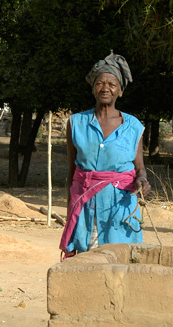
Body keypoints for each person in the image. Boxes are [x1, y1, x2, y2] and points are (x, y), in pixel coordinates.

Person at [59, 52, 151, 259]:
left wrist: (142, 180)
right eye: (100, 83)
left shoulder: (133, 126)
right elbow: (72, 171)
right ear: (93, 88)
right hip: (85, 204)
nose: (106, 88)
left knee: (120, 259)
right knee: (88, 258)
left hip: (121, 206)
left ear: (120, 91)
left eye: (112, 84)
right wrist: (70, 207)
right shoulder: (75, 123)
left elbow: (139, 168)